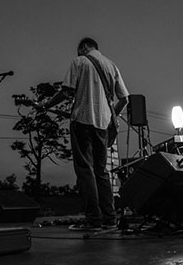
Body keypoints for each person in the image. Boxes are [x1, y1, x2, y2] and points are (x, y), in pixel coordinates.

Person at [43, 37, 129, 231]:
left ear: (83, 47)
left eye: (79, 50)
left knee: (85, 170)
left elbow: (67, 92)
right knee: (101, 171)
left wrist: (46, 105)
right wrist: (110, 113)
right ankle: (109, 219)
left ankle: (93, 220)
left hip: (82, 120)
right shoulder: (111, 65)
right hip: (103, 125)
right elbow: (124, 98)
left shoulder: (79, 62)